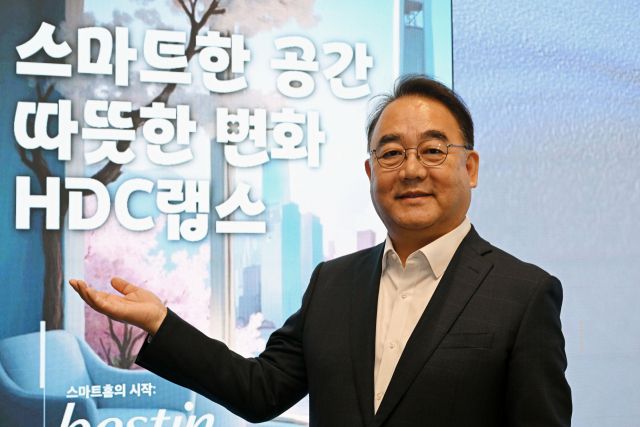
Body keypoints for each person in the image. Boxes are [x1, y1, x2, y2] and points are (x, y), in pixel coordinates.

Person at [70, 75, 572, 426]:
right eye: (391, 153)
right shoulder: (333, 282)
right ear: (370, 172)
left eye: (433, 150)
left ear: (471, 168)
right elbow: (260, 390)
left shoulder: (524, 295)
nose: (411, 170)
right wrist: (162, 322)